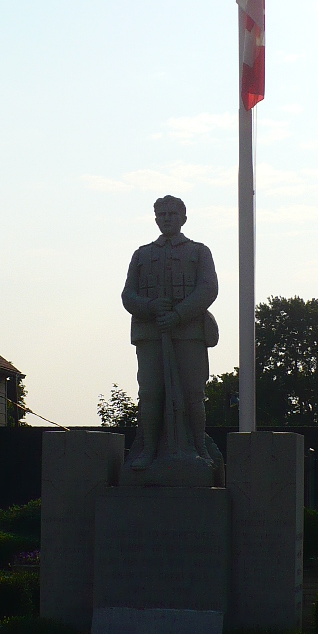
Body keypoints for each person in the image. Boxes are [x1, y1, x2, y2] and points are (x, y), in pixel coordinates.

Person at [121, 195, 218, 469]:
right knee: (150, 394)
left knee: (192, 394)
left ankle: (201, 449)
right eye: (162, 214)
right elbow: (128, 295)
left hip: (189, 335)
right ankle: (147, 450)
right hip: (151, 336)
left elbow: (208, 288)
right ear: (155, 219)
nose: (167, 218)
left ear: (183, 218)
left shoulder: (199, 252)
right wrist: (150, 307)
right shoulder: (141, 254)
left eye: (172, 214)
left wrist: (178, 315)